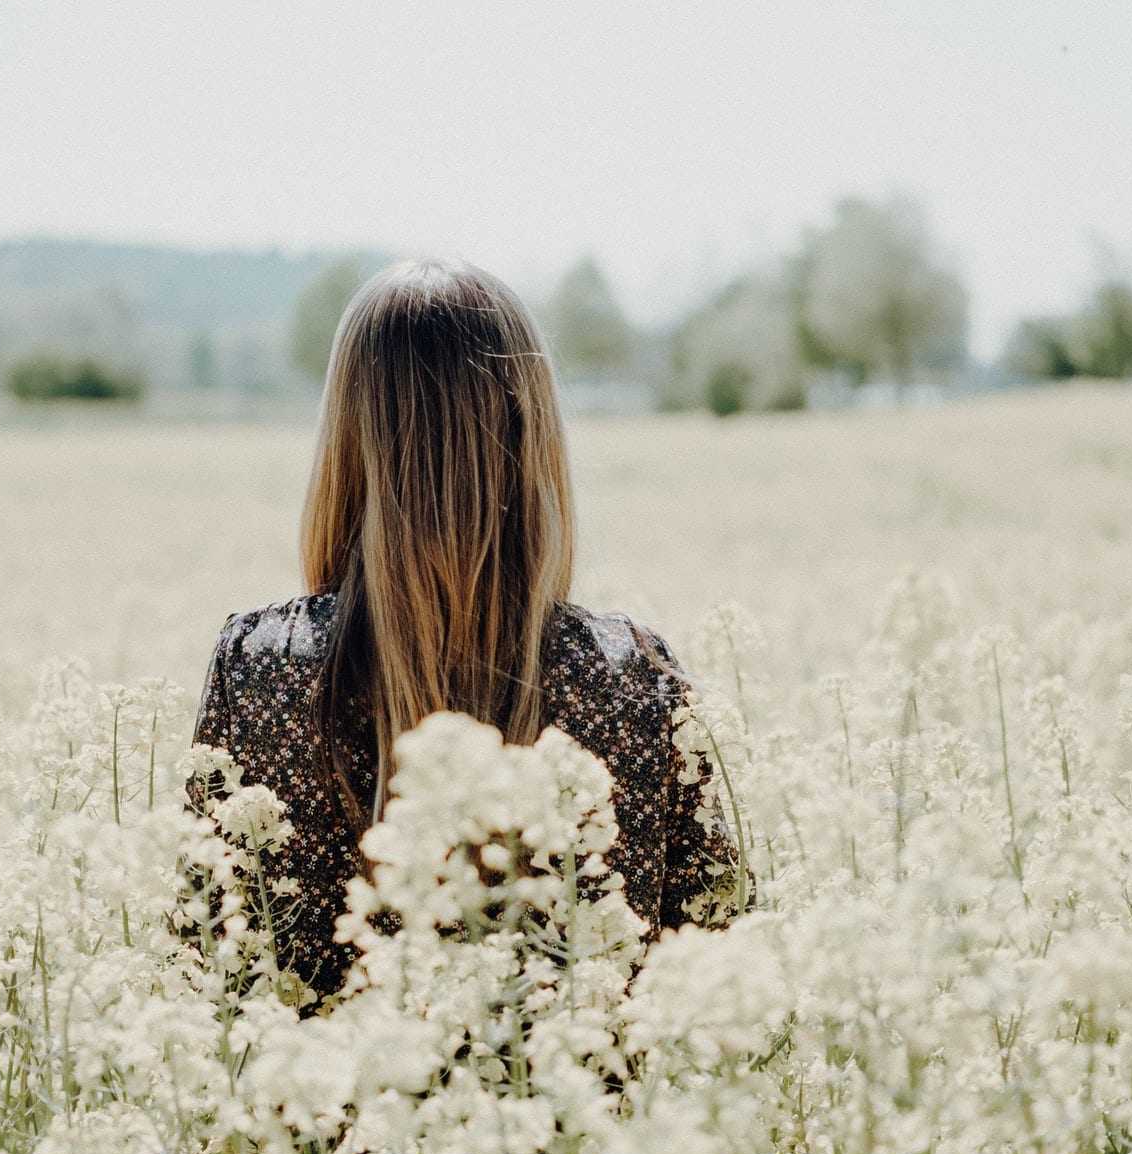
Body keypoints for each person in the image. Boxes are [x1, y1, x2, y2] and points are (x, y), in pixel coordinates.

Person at [189, 256, 748, 1006]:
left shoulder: (259, 667)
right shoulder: (637, 680)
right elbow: (721, 970)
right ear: (533, 443)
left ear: (347, 447)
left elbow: (205, 968)